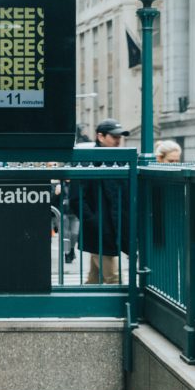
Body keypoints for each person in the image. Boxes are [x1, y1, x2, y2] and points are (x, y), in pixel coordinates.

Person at [76, 118, 130, 284]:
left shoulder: (120, 159)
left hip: (110, 227)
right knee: (115, 278)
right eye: (114, 137)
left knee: (95, 278)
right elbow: (76, 198)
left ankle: (84, 306)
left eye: (120, 137)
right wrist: (94, 222)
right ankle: (123, 308)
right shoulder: (88, 160)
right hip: (101, 228)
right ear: (100, 136)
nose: (118, 140)